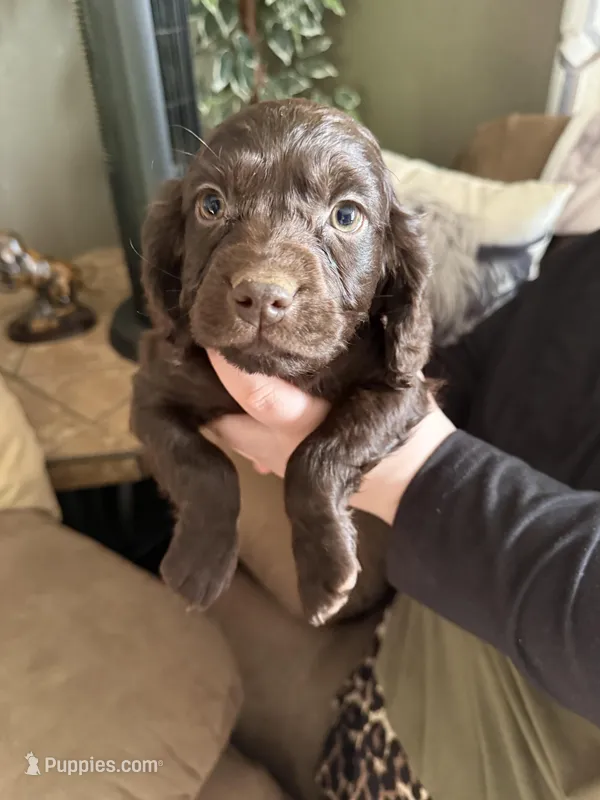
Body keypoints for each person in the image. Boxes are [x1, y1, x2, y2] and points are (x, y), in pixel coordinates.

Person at [208, 230, 600, 799]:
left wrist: (414, 468)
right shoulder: (585, 263)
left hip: (472, 760)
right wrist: (361, 388)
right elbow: (470, 363)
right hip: (414, 635)